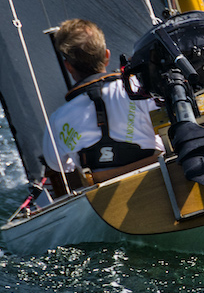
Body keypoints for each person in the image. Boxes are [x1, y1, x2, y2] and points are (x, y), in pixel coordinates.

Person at [42, 19, 162, 190]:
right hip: (157, 180)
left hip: (103, 199)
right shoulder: (138, 87)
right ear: (107, 56)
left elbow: (58, 166)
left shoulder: (58, 119)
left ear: (68, 67)